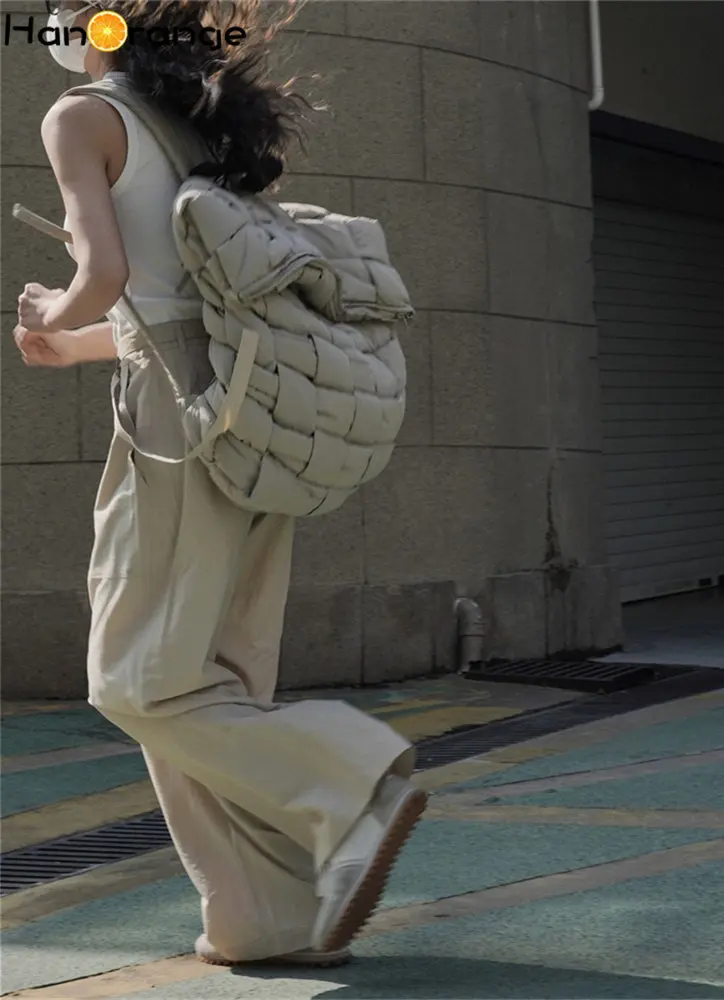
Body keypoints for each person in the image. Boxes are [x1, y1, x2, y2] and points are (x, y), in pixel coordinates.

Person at [15, 0, 426, 968]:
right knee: (214, 684)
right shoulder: (197, 118)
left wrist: (50, 307)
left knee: (138, 681)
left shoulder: (82, 116)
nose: (52, 25)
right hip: (254, 411)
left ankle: (352, 781)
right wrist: (73, 344)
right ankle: (262, 916)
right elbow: (186, 299)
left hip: (177, 426)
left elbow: (105, 274)